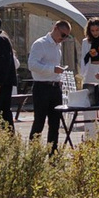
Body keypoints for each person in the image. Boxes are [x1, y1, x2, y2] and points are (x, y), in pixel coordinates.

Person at [28, 18, 74, 148]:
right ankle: (33, 154)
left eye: (67, 36)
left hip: (55, 87)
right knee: (39, 122)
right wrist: (52, 69)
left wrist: (57, 74)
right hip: (41, 87)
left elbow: (53, 66)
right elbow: (32, 65)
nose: (63, 38)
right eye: (63, 35)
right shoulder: (40, 44)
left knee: (55, 123)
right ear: (55, 28)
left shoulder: (57, 46)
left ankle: (52, 154)